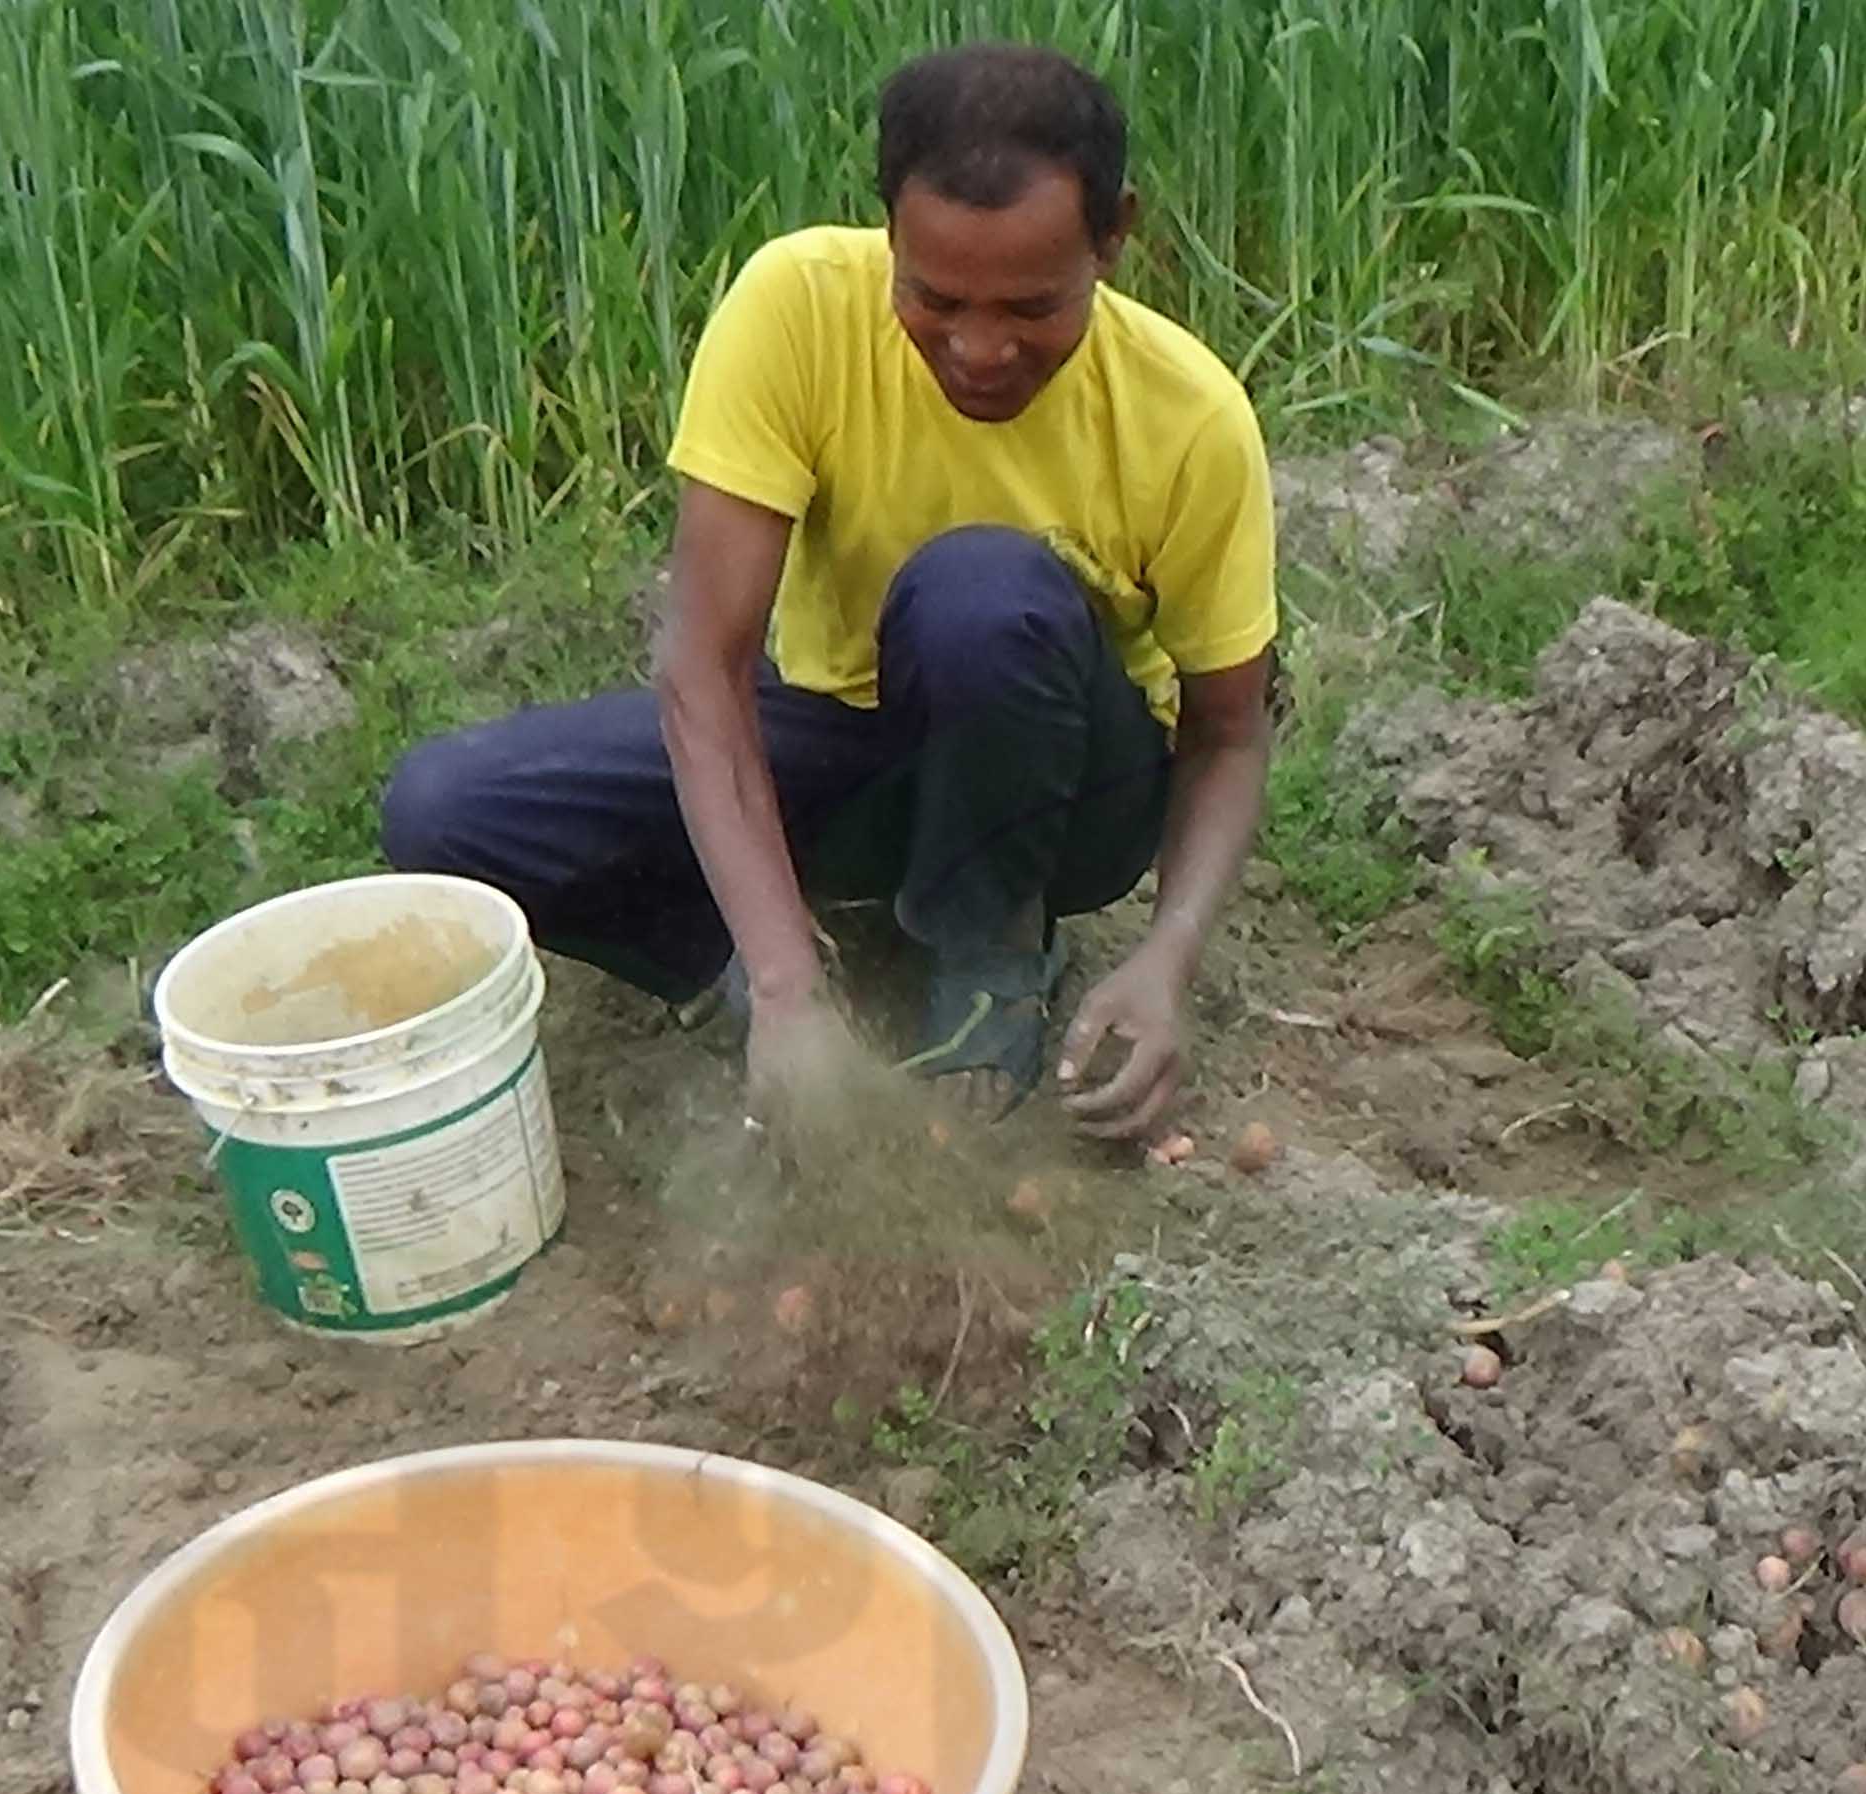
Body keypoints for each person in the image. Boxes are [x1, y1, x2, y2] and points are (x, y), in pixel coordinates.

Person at [379, 42, 1277, 1140]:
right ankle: (743, 967)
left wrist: (1167, 958)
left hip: (1068, 792)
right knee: (445, 809)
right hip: (851, 746)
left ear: (1113, 236)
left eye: (1031, 307)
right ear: (887, 230)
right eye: (934, 297)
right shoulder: (796, 308)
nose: (979, 347)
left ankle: (990, 956)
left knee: (982, 591)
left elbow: (1229, 731)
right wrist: (783, 981)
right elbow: (704, 669)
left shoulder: (1188, 418)